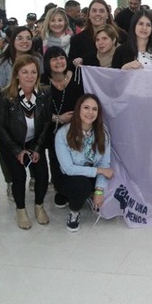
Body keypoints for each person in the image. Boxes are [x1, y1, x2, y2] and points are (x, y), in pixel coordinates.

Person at [0, 55, 50, 230]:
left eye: (33, 72)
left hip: (34, 142)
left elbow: (47, 123)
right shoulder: (4, 96)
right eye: (24, 72)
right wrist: (18, 151)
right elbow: (1, 128)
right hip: (11, 144)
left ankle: (39, 205)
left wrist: (36, 148)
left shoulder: (44, 93)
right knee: (19, 177)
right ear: (17, 74)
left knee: (42, 175)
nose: (29, 76)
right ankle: (21, 210)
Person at [54, 94, 114, 232]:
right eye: (86, 107)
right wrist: (99, 171)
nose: (90, 112)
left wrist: (99, 190)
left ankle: (89, 194)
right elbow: (69, 169)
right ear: (78, 109)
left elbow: (104, 163)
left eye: (94, 109)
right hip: (68, 177)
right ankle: (74, 212)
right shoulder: (63, 134)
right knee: (81, 185)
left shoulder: (103, 133)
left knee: (112, 187)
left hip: (91, 175)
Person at [42, 47, 84, 209]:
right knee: (56, 160)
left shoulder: (77, 75)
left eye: (61, 58)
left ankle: (77, 187)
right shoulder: (42, 81)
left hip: (77, 127)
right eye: (54, 59)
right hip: (52, 129)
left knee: (77, 158)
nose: (59, 62)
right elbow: (38, 111)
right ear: (47, 63)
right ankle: (61, 189)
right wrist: (58, 118)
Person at [69, 0, 125, 66]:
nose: (97, 14)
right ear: (89, 15)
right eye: (94, 11)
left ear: (107, 14)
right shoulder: (77, 40)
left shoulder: (122, 35)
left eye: (101, 11)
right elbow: (71, 66)